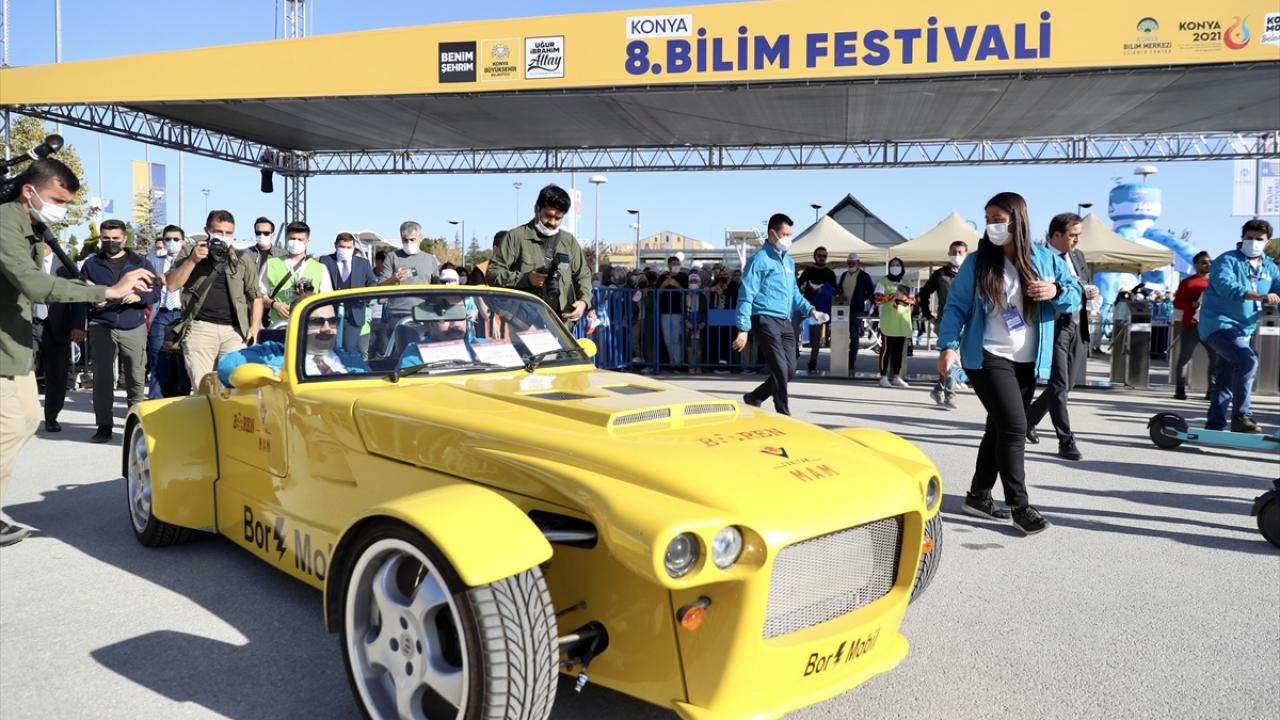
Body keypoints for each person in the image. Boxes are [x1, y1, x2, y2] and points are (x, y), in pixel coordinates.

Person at [1, 158, 154, 546]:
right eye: (57, 200)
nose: (62, 210)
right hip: (3, 343)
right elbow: (34, 285)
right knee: (7, 425)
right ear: (28, 191)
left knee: (26, 419)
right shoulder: (5, 222)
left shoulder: (32, 226)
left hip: (12, 343)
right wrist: (108, 291)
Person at [937, 192, 1081, 535]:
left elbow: (1075, 293)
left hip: (1027, 361)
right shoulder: (977, 262)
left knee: (998, 427)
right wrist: (947, 346)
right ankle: (1020, 505)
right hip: (986, 356)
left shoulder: (1046, 260)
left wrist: (1055, 290)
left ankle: (977, 496)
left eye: (999, 218)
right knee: (1015, 429)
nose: (992, 225)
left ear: (1018, 219)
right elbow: (956, 306)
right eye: (988, 219)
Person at [732, 213, 824, 415]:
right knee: (780, 369)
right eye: (785, 234)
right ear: (772, 233)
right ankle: (784, 413)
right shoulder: (759, 260)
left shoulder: (789, 263)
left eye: (791, 234)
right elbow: (746, 295)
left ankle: (754, 397)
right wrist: (743, 329)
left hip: (785, 321)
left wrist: (809, 309)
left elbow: (794, 293)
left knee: (789, 370)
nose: (788, 238)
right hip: (764, 319)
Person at [80, 219, 160, 442]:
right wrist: (93, 300)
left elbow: (155, 293)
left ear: (125, 238)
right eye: (106, 238)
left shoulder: (141, 263)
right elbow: (81, 291)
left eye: (115, 238)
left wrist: (139, 296)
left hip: (132, 325)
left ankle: (136, 424)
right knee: (102, 378)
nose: (111, 242)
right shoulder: (91, 264)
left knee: (135, 377)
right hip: (101, 325)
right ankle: (104, 425)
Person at [1198, 219, 1280, 433]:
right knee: (1248, 361)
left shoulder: (1270, 267)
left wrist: (1273, 296)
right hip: (1218, 324)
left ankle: (1214, 426)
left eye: (1258, 239)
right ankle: (1241, 416)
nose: (1253, 242)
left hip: (1244, 329)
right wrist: (1257, 295)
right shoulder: (1227, 260)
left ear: (1267, 241)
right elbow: (1225, 285)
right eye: (1249, 238)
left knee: (1226, 378)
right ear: (1242, 237)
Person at [166, 210, 262, 389]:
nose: (223, 237)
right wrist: (193, 260)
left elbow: (255, 295)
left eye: (228, 233)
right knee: (204, 390)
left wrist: (255, 326)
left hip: (235, 332)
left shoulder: (242, 256)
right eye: (218, 232)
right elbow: (172, 285)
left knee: (236, 388)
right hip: (200, 329)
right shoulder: (190, 251)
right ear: (207, 230)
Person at [1025, 213, 1096, 460]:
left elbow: (1080, 286)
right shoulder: (1039, 259)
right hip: (1053, 326)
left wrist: (1090, 292)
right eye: (1072, 235)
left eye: (1078, 235)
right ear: (1056, 235)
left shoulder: (1078, 256)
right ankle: (1066, 441)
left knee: (1067, 384)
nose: (1076, 240)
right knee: (1058, 385)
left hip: (1077, 325)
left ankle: (1028, 419)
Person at [487, 185, 592, 328]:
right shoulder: (516, 237)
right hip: (525, 324)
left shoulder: (569, 241)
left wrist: (583, 301)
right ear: (537, 208)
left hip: (562, 325)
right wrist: (526, 279)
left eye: (558, 218)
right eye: (548, 216)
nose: (552, 222)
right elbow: (493, 273)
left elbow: (583, 275)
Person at [218, 303, 368, 385]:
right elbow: (226, 365)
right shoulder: (273, 354)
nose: (327, 329)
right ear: (297, 326)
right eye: (317, 322)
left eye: (333, 322)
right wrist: (271, 373)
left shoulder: (351, 360)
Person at [38, 248, 87, 433]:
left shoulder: (66, 267)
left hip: (56, 326)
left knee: (57, 375)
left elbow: (77, 296)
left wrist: (77, 325)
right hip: (27, 324)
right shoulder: (22, 261)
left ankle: (51, 417)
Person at [920, 241, 968, 408]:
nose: (957, 255)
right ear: (948, 253)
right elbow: (924, 294)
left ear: (966, 255)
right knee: (951, 356)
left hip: (966, 321)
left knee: (953, 358)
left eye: (961, 252)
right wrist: (928, 316)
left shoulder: (969, 273)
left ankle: (938, 388)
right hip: (945, 322)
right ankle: (950, 394)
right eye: (954, 252)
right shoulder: (941, 275)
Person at [145, 225, 191, 399]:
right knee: (158, 361)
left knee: (183, 363)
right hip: (161, 313)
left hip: (183, 314)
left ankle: (181, 402)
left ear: (183, 242)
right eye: (168, 239)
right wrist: (157, 280)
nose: (172, 243)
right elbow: (145, 284)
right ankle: (155, 403)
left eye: (176, 239)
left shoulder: (190, 262)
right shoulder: (153, 260)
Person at [260, 221, 332, 326]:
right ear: (286, 239)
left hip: (309, 325)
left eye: (300, 239)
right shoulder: (271, 264)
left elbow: (326, 301)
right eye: (292, 239)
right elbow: (258, 296)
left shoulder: (320, 268)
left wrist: (306, 297)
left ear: (307, 241)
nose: (295, 242)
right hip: (279, 324)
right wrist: (274, 304)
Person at [319, 232, 379, 355]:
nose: (345, 250)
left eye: (348, 247)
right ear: (335, 246)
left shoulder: (363, 263)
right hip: (331, 313)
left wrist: (364, 300)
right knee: (330, 349)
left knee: (350, 349)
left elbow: (372, 283)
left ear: (353, 247)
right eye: (342, 247)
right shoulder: (326, 260)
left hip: (354, 314)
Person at [378, 221, 443, 333]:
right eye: (405, 240)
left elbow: (436, 287)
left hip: (424, 313)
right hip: (398, 313)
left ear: (420, 238)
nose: (408, 243)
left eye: (412, 240)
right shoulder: (392, 257)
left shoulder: (430, 259)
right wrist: (394, 279)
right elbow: (380, 287)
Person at [1171, 251, 1217, 400]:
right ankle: (1180, 389)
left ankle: (1212, 390)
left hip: (1211, 327)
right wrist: (1191, 305)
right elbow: (1177, 303)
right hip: (1191, 325)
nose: (1207, 264)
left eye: (1210, 261)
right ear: (1196, 264)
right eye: (1203, 262)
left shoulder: (1217, 282)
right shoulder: (1187, 282)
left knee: (1215, 358)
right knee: (1184, 358)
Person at [875, 257, 914, 387]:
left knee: (899, 352)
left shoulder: (906, 282)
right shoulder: (883, 281)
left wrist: (902, 297)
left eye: (898, 265)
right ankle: (883, 376)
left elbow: (912, 300)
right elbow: (877, 299)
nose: (895, 267)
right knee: (886, 350)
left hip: (902, 322)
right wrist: (892, 296)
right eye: (893, 265)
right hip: (888, 321)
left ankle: (897, 376)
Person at [799, 246, 837, 373]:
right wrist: (805, 288)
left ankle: (813, 361)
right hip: (804, 306)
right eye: (820, 255)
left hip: (819, 310)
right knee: (791, 331)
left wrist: (823, 290)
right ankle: (792, 356)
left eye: (824, 256)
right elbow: (797, 286)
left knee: (815, 337)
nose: (822, 258)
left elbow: (834, 290)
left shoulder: (830, 273)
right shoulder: (808, 271)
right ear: (814, 257)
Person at [837, 252, 875, 376]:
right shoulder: (844, 275)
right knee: (842, 334)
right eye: (849, 263)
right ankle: (841, 359)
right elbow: (839, 288)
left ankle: (851, 361)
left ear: (858, 263)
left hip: (856, 308)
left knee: (854, 335)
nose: (851, 265)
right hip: (843, 307)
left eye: (853, 263)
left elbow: (871, 291)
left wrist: (862, 298)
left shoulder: (864, 276)